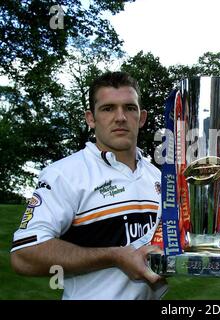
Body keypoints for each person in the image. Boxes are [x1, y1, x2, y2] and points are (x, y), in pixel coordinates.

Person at [10, 71, 167, 300]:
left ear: (141, 118)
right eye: (108, 108)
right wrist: (114, 256)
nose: (120, 117)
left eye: (129, 108)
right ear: (91, 118)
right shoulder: (63, 174)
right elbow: (24, 255)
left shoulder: (158, 177)